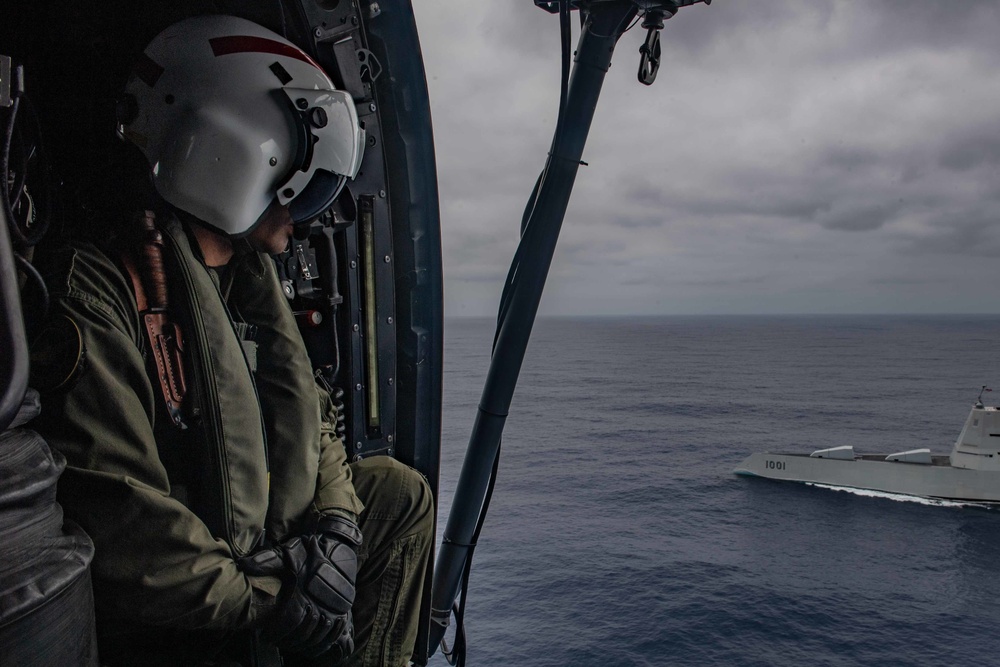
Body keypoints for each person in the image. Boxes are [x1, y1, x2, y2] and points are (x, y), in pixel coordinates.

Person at [29, 15, 433, 667]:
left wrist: (336, 524)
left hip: (270, 545)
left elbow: (317, 419)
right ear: (237, 153)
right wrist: (283, 598)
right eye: (302, 174)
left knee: (395, 493)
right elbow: (128, 529)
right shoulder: (98, 294)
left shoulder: (247, 281)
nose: (315, 204)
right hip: (187, 594)